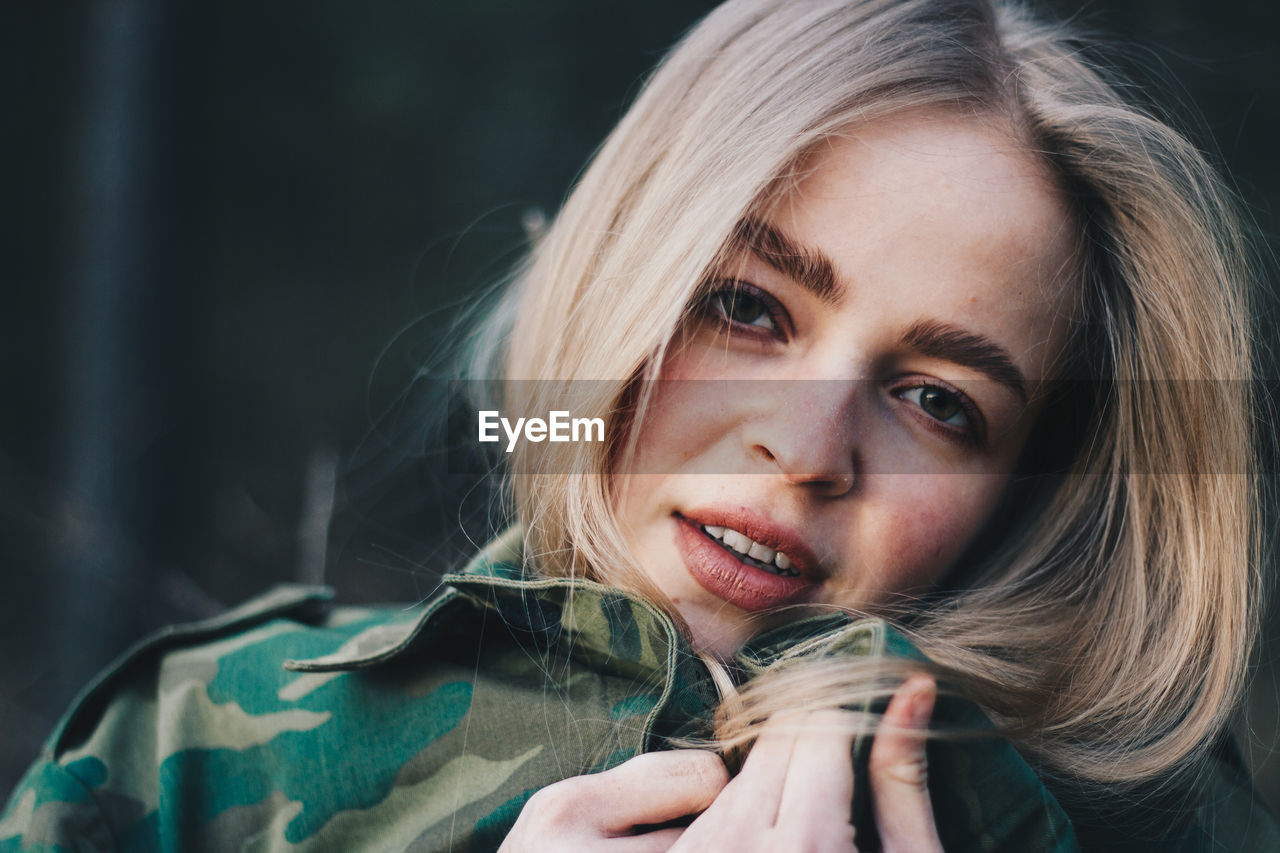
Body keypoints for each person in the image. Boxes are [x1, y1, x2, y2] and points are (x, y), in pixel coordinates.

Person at [2, 0, 1274, 850]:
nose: (805, 447)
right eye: (745, 307)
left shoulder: (1153, 825)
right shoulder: (189, 748)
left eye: (939, 401)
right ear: (622, 266)